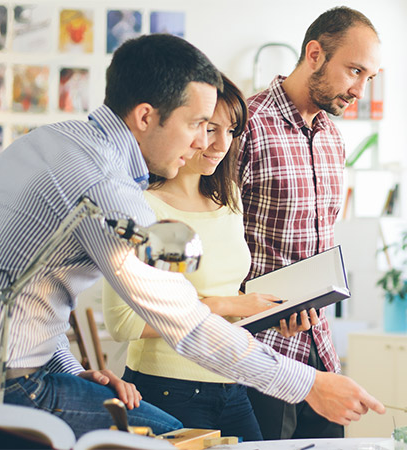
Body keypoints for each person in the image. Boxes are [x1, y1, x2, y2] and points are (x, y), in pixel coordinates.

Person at [0, 33, 383, 450]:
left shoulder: (47, 142)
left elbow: (26, 288)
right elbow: (185, 326)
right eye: (196, 124)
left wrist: (69, 369)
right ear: (146, 116)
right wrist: (308, 383)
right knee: (184, 440)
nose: (203, 143)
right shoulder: (108, 190)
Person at [102, 74, 316, 441]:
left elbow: (229, 299)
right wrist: (226, 304)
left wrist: (269, 314)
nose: (220, 144)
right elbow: (122, 324)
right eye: (210, 129)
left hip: (231, 380)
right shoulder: (142, 206)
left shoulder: (229, 198)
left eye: (231, 131)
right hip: (168, 387)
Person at [236, 6, 381, 440]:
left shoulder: (332, 136)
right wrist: (257, 305)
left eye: (368, 78)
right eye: (353, 71)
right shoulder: (245, 126)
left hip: (320, 349)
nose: (359, 89)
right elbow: (214, 245)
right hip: (261, 357)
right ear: (314, 53)